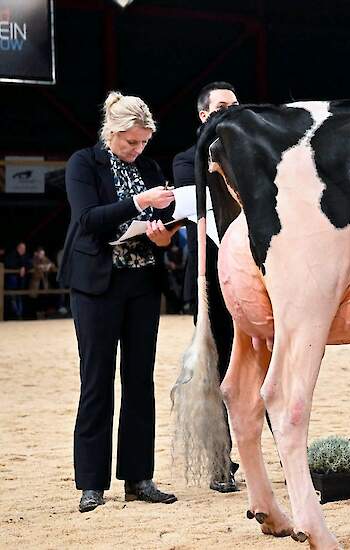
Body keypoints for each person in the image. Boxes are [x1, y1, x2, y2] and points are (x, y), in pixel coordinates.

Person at [59, 92, 180, 513]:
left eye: (143, 142)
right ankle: (91, 483)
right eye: (130, 142)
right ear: (111, 132)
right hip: (96, 285)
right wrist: (139, 202)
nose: (137, 149)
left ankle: (138, 477)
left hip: (143, 281)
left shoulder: (149, 167)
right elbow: (88, 219)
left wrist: (163, 235)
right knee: (96, 381)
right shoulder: (83, 163)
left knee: (139, 381)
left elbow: (160, 225)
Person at [171, 81, 241, 491]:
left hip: (255, 276)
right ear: (203, 116)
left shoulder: (256, 156)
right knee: (216, 367)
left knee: (264, 361)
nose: (230, 111)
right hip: (210, 279)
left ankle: (286, 455)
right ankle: (220, 463)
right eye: (221, 107)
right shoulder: (186, 160)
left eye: (235, 105)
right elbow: (195, 202)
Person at [4, 241, 31, 319]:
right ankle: (17, 315)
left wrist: (24, 267)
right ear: (18, 248)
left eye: (24, 248)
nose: (23, 250)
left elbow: (30, 264)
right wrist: (20, 267)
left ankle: (19, 316)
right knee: (12, 299)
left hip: (20, 283)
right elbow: (8, 263)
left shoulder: (26, 256)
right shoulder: (12, 255)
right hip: (12, 283)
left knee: (19, 298)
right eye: (21, 248)